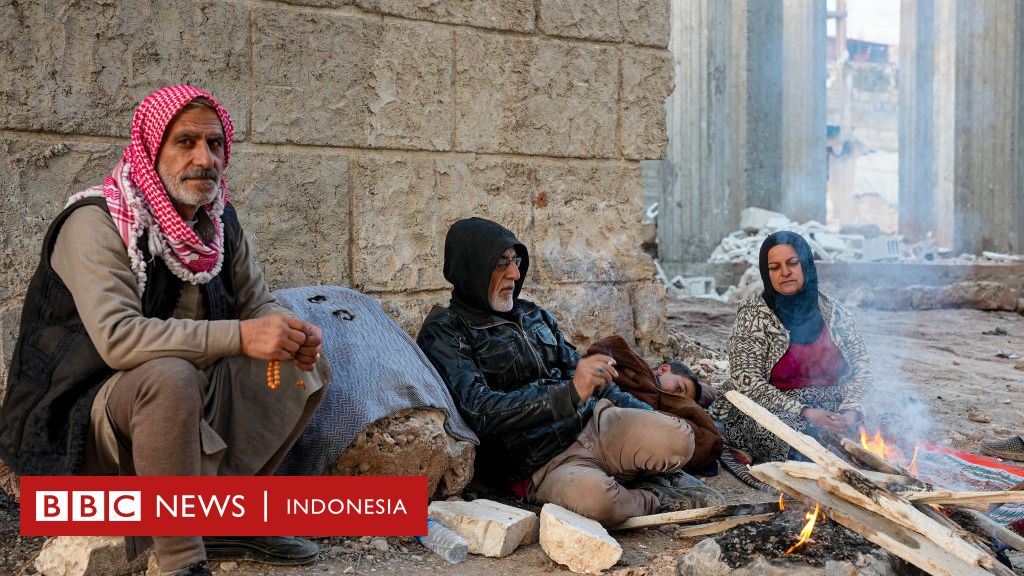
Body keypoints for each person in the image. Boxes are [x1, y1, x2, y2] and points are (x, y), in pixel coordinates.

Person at [0, 86, 330, 576]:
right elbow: (119, 339)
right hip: (85, 420)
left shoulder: (218, 224)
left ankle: (228, 519)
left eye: (215, 144)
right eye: (186, 142)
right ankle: (181, 559)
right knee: (169, 377)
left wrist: (290, 330)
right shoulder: (98, 223)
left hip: (186, 402)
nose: (205, 159)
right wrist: (241, 338)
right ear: (152, 151)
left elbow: (257, 303)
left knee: (300, 362)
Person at [417, 217, 721, 527]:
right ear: (472, 268)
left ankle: (639, 476)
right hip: (539, 465)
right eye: (501, 263)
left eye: (516, 260)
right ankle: (654, 499)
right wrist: (568, 393)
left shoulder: (532, 314)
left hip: (595, 423)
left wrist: (649, 417)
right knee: (599, 503)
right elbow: (480, 411)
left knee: (679, 436)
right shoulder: (446, 332)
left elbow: (592, 378)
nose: (515, 273)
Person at [709, 231, 870, 465]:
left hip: (833, 406)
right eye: (774, 267)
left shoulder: (837, 314)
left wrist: (850, 412)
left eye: (792, 263)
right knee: (800, 439)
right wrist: (804, 411)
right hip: (772, 410)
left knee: (894, 420)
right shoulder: (753, 317)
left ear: (805, 264)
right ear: (767, 273)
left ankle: (851, 455)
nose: (785, 272)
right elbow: (747, 382)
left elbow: (861, 369)